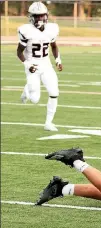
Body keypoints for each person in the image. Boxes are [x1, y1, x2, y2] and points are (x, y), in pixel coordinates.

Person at [17, 2, 63, 132]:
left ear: (46, 15)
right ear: (31, 17)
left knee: (54, 93)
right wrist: (27, 64)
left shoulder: (52, 28)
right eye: (36, 16)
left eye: (42, 15)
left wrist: (58, 60)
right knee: (35, 99)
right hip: (32, 65)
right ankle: (26, 89)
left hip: (46, 65)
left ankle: (48, 123)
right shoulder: (26, 30)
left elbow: (54, 46)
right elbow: (19, 52)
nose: (40, 19)